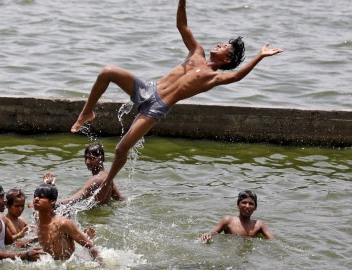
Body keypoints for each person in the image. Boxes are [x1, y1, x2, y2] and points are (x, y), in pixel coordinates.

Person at [70, 0, 283, 198]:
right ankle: (86, 112)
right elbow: (182, 26)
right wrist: (182, 2)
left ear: (227, 59)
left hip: (156, 108)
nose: (218, 45)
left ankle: (108, 183)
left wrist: (260, 56)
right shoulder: (196, 52)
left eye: (223, 47)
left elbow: (236, 76)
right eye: (220, 43)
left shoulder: (214, 77)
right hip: (148, 88)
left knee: (120, 149)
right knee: (107, 71)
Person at [0, 182, 46, 261]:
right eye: (0, 197)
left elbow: (12, 245)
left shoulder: (2, 218)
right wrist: (26, 254)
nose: (5, 200)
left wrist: (38, 239)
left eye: (4, 196)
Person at [42, 143, 124, 208]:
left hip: (93, 217)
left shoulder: (96, 180)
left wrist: (45, 203)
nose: (87, 162)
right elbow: (120, 199)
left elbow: (71, 201)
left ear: (101, 158)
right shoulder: (107, 173)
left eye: (91, 158)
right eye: (85, 158)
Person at [32, 184, 100, 260]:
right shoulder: (37, 220)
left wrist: (102, 266)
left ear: (52, 201)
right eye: (35, 196)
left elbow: (91, 247)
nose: (36, 199)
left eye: (41, 197)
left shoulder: (62, 224)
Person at [199, 190, 275, 242]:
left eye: (251, 203)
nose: (247, 206)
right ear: (238, 205)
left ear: (255, 207)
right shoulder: (227, 221)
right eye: (244, 203)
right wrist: (206, 235)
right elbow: (212, 233)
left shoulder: (259, 225)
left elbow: (273, 241)